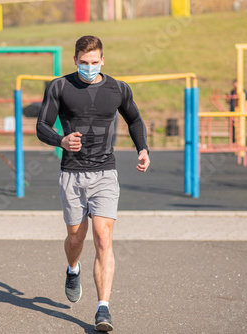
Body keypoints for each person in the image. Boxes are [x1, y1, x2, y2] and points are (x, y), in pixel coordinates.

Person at [36, 35, 150, 332]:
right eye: (83, 62)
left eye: (94, 62)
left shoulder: (118, 88)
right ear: (75, 60)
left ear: (103, 60)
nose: (89, 67)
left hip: (105, 173)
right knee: (76, 239)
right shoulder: (59, 86)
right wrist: (61, 140)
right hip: (71, 173)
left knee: (103, 238)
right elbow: (41, 126)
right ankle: (73, 269)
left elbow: (135, 120)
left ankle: (103, 309)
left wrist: (143, 149)